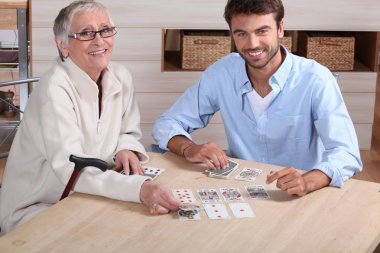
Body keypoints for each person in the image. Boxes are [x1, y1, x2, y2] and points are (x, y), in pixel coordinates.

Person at [0, 0, 180, 235]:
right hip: (39, 207)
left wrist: (125, 148)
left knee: (148, 229)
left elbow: (129, 131)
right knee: (116, 235)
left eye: (105, 30)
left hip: (88, 195)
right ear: (63, 45)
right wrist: (139, 188)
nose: (99, 40)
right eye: (86, 33)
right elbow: (73, 169)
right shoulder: (53, 89)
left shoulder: (122, 77)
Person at [153, 0, 362, 197]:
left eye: (262, 31)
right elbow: (167, 123)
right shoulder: (221, 73)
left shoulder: (316, 79)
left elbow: (346, 153)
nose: (252, 44)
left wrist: (309, 180)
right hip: (240, 189)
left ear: (280, 28)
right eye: (241, 34)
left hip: (301, 195)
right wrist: (189, 148)